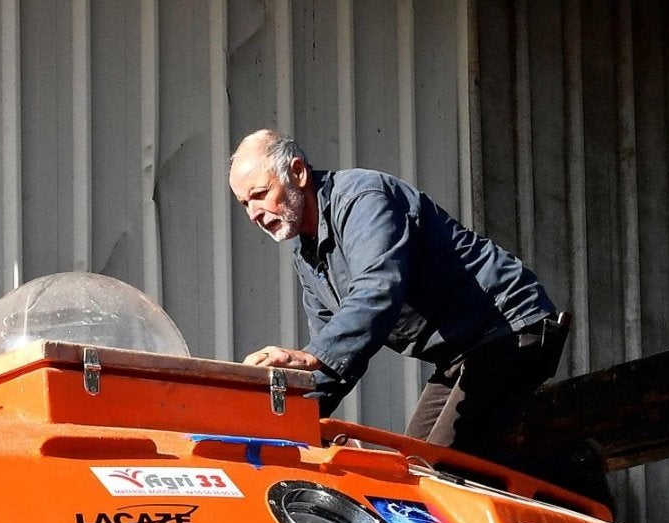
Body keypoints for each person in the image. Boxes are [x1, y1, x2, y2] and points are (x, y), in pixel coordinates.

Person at [228, 129, 568, 463]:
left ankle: (573, 467)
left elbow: (379, 286)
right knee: (411, 463)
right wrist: (280, 425)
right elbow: (337, 358)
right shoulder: (309, 256)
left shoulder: (362, 199)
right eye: (244, 203)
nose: (253, 214)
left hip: (511, 328)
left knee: (437, 471)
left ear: (298, 173)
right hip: (461, 355)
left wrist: (308, 357)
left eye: (260, 194)